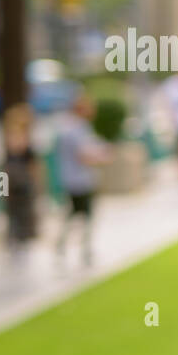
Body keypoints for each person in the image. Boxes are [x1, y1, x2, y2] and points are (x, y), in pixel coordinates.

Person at [53, 90, 112, 270]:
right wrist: (102, 158)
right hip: (78, 180)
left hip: (75, 179)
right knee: (82, 215)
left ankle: (68, 246)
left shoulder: (74, 128)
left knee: (75, 214)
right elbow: (83, 155)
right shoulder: (74, 130)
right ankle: (78, 248)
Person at [0, 102, 42, 262]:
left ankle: (17, 240)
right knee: (15, 211)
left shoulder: (15, 138)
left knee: (17, 211)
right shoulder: (18, 139)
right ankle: (14, 240)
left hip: (12, 181)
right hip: (14, 181)